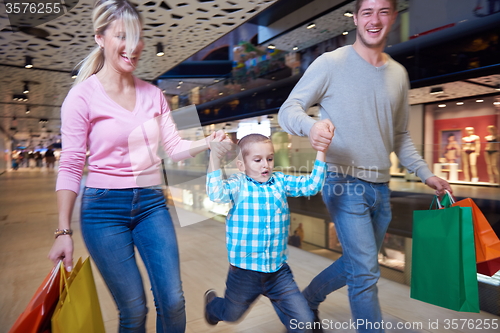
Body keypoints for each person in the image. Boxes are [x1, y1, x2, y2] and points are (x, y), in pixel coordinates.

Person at [47, 1, 229, 332]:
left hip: (151, 204)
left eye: (138, 36)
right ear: (100, 38)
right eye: (122, 35)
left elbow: (173, 148)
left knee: (173, 301)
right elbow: (72, 164)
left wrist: (209, 142)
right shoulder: (82, 97)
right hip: (103, 211)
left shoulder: (153, 94)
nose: (133, 46)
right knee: (133, 310)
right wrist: (63, 231)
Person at [278, 1, 452, 332]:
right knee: (366, 274)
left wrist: (426, 174)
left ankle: (304, 302)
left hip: (381, 188)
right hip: (343, 183)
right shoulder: (331, 63)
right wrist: (311, 126)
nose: (375, 19)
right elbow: (289, 109)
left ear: (393, 17)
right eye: (367, 12)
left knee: (360, 265)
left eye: (383, 11)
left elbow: (400, 136)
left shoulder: (399, 74)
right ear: (356, 18)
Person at [204, 133, 331, 332]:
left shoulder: (280, 181)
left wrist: (321, 151)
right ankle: (212, 306)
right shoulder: (239, 185)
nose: (266, 165)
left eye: (270, 158)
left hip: (278, 272)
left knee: (305, 323)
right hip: (244, 272)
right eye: (257, 160)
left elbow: (311, 185)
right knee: (232, 315)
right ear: (241, 165)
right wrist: (214, 157)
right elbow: (216, 193)